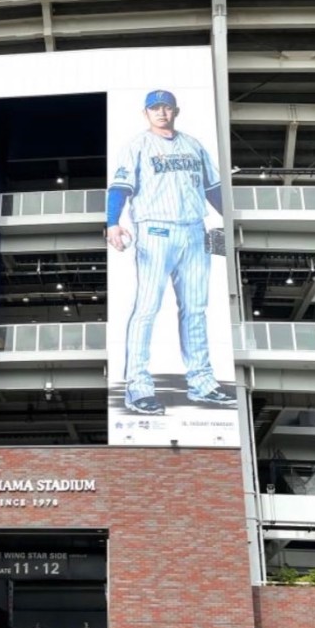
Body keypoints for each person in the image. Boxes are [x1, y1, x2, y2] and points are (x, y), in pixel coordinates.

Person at [107, 89, 236, 415]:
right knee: (147, 308)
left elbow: (213, 188)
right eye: (155, 108)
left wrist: (230, 222)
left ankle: (203, 383)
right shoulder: (136, 145)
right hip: (155, 230)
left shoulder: (193, 144)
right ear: (146, 113)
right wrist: (112, 223)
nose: (161, 113)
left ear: (175, 111)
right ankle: (137, 387)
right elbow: (120, 186)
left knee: (196, 309)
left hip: (195, 231)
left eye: (166, 107)